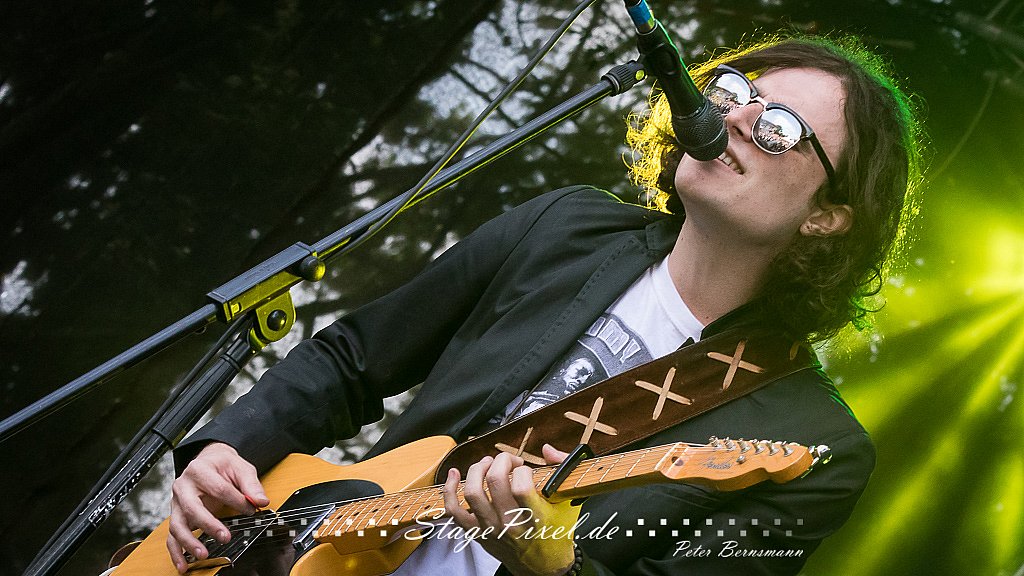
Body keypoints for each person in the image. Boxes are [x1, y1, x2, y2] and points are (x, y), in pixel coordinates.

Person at [166, 33, 923, 576]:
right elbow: (354, 358)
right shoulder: (565, 225)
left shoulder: (815, 446)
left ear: (829, 216)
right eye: (732, 94)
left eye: (780, 128)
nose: (731, 118)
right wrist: (231, 448)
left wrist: (554, 568)